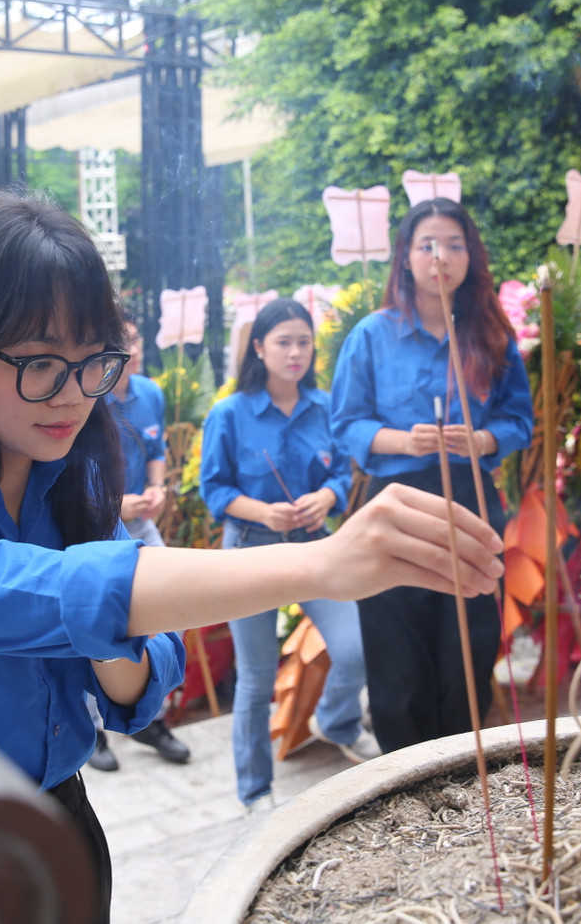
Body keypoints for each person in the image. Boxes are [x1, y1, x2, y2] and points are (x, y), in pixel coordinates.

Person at [0, 193, 504, 924]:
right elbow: (61, 590)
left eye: (95, 361)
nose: (75, 394)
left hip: (64, 828)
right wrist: (321, 564)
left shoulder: (64, 493)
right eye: (41, 362)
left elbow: (139, 687)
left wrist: (115, 619)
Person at [330, 198, 533, 753]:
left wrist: (483, 439)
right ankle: (403, 778)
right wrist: (404, 440)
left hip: (469, 496)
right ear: (406, 257)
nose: (440, 257)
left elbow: (519, 420)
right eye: (426, 245)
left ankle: (462, 771)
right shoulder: (371, 335)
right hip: (395, 502)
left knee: (468, 644)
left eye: (453, 244)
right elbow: (346, 424)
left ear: (470, 255)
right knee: (396, 649)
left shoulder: (492, 335)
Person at [200, 298, 379, 813]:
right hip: (250, 553)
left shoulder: (325, 407)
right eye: (284, 342)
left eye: (304, 341)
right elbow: (214, 489)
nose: (295, 352)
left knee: (355, 649)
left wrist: (327, 496)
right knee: (255, 679)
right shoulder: (228, 413)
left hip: (315, 546)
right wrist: (262, 511)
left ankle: (339, 719)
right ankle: (255, 791)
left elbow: (341, 475)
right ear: (259, 348)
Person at [87, 312, 191, 771]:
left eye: (137, 342)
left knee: (176, 609)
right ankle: (92, 729)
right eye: (122, 344)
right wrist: (114, 504)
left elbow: (156, 451)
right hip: (97, 526)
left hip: (142, 522)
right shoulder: (89, 400)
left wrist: (158, 489)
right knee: (99, 622)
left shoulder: (151, 393)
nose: (132, 352)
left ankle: (150, 715)